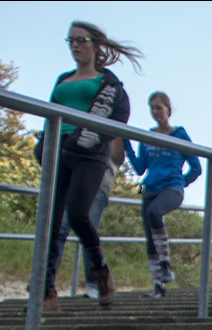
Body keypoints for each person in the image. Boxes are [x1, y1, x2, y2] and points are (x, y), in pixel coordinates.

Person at [39, 21, 140, 311]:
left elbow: (118, 117)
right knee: (51, 224)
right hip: (59, 152)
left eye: (80, 40)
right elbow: (49, 115)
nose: (74, 45)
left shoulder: (108, 84)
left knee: (79, 215)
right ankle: (45, 291)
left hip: (90, 152)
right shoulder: (63, 79)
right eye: (70, 40)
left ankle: (101, 274)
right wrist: (43, 146)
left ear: (96, 46)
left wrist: (101, 142)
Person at [124, 91, 202, 298]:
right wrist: (127, 146)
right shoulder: (148, 137)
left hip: (172, 189)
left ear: (168, 109)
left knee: (154, 213)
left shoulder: (180, 135)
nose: (155, 111)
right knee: (150, 237)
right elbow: (141, 168)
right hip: (149, 189)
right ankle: (158, 286)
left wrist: (179, 182)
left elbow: (196, 167)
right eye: (152, 108)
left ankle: (165, 264)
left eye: (159, 107)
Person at [56, 138, 124, 299]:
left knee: (86, 229)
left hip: (98, 185)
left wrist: (115, 131)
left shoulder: (110, 131)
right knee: (59, 229)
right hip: (73, 183)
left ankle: (95, 283)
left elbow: (118, 157)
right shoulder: (79, 131)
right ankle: (46, 282)